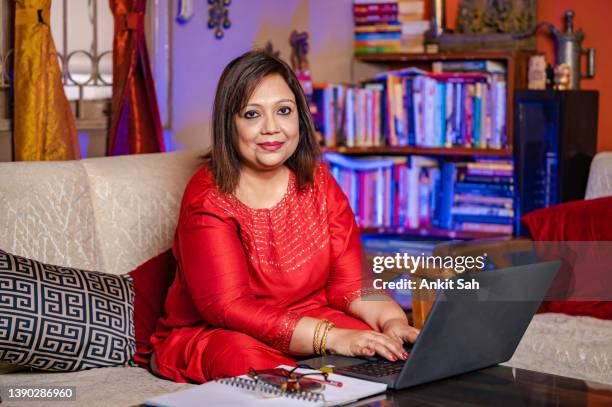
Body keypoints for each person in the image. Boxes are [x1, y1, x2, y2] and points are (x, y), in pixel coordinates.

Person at [150, 50, 419, 383]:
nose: (272, 128)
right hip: (225, 331)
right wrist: (330, 338)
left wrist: (392, 321)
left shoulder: (319, 181)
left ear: (299, 118)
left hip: (312, 320)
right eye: (252, 114)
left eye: (283, 111)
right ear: (228, 124)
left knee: (378, 345)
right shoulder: (208, 198)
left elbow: (351, 284)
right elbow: (228, 306)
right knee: (241, 357)